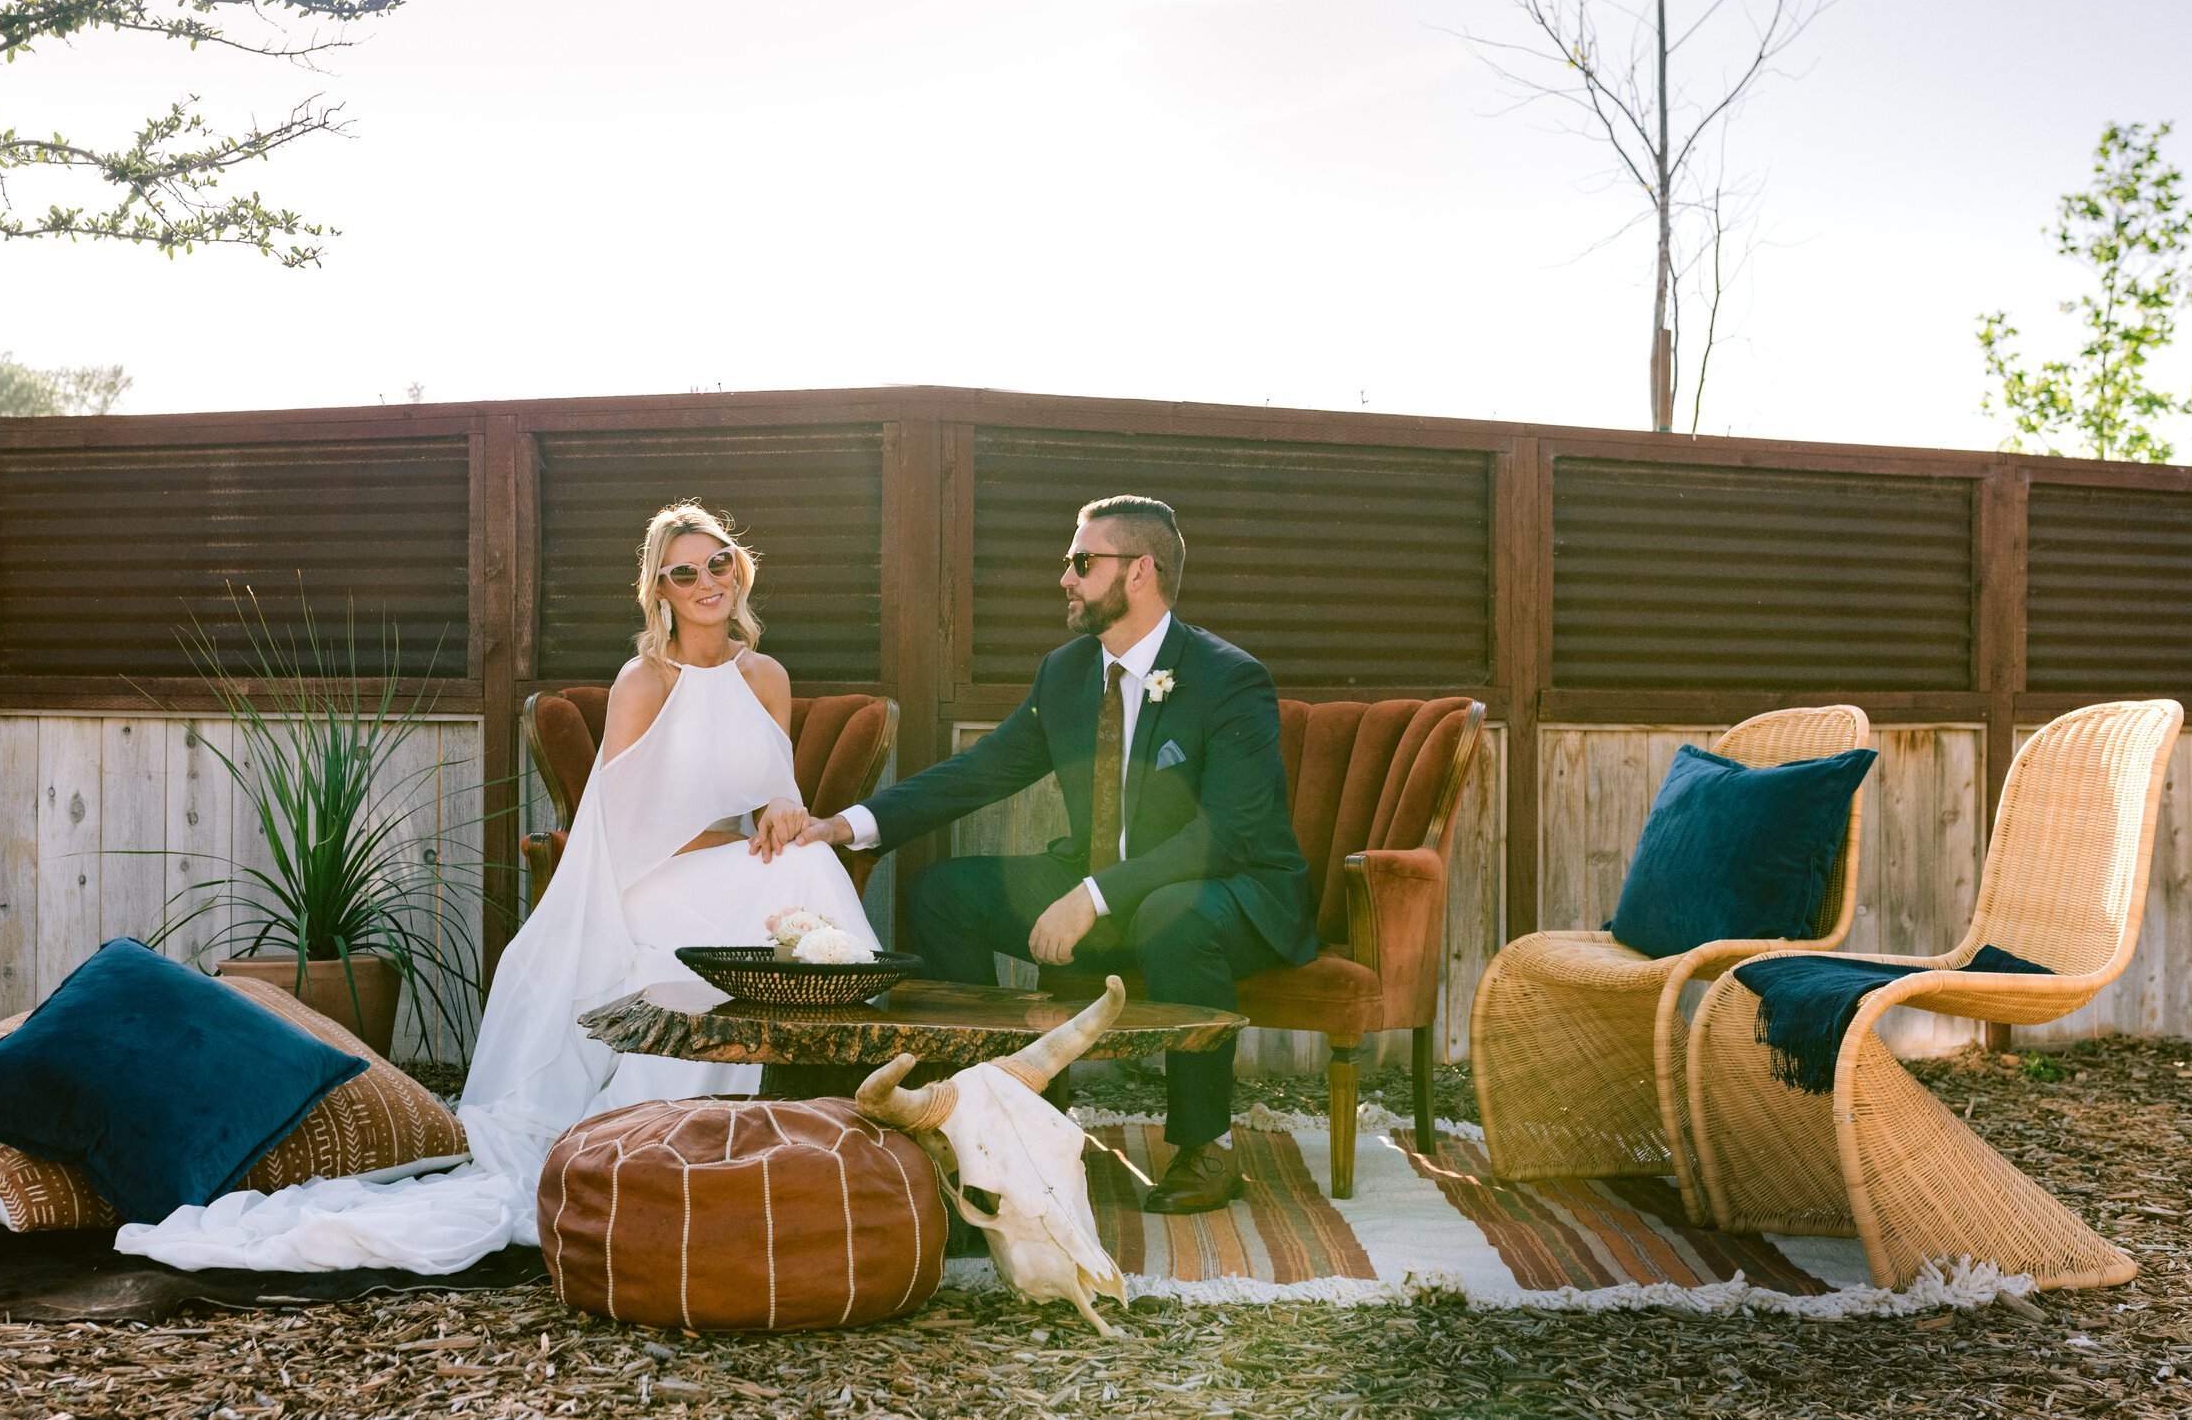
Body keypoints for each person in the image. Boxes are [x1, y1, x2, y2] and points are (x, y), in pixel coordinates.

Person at [118, 503, 877, 1272]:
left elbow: (773, 800)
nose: (707, 581)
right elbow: (622, 830)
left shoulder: (767, 675)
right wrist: (760, 838)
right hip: (646, 879)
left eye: (718, 562)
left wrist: (786, 806)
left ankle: (818, 1094)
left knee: (804, 859)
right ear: (660, 591)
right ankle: (739, 1102)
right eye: (684, 571)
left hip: (732, 868)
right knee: (798, 870)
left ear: (737, 568)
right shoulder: (643, 681)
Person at [776, 495, 1313, 1214]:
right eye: (1069, 561)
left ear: (1141, 571)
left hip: (1228, 889)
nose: (1065, 576)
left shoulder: (1227, 677)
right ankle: (997, 1109)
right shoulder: (1067, 673)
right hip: (1102, 880)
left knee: (1175, 913)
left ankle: (1203, 1148)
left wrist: (1093, 895)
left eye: (1082, 562)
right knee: (943, 893)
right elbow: (983, 769)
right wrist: (850, 824)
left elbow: (1225, 835)